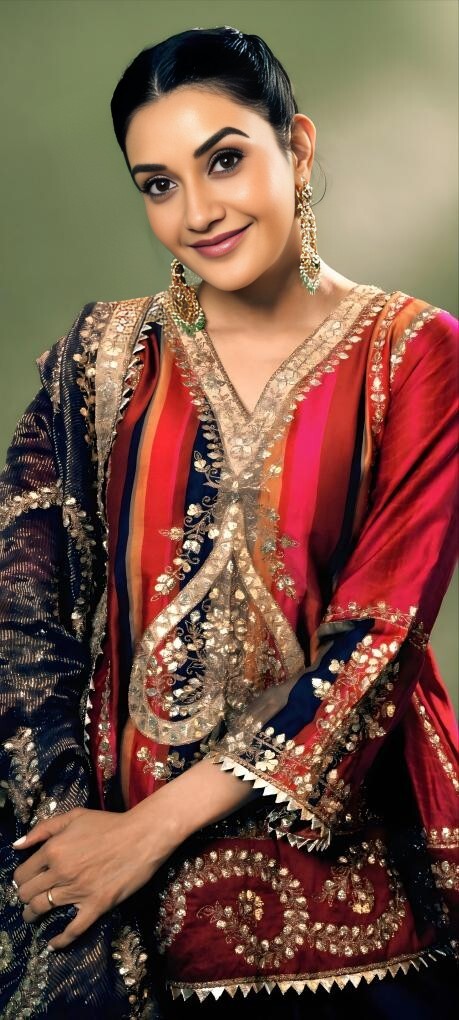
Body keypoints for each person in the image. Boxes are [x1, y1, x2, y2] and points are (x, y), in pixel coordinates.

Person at [0, 25, 457, 1020]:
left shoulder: (413, 353)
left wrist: (147, 832)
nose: (198, 212)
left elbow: (376, 645)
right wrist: (70, 848)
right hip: (114, 931)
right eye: (158, 184)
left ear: (297, 145)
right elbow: (20, 616)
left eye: (223, 161)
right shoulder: (99, 362)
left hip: (352, 932)